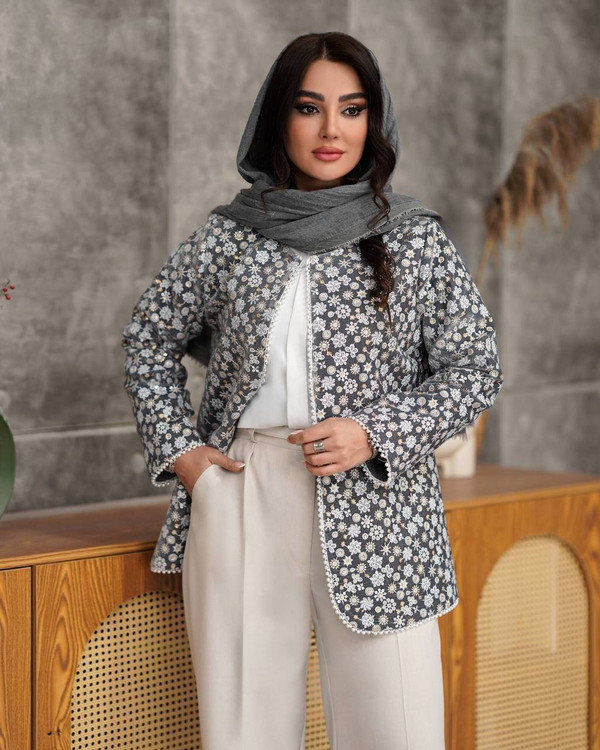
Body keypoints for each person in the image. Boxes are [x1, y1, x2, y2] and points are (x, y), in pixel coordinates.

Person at [121, 30, 504, 750]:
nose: (332, 129)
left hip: (379, 502)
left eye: (352, 110)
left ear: (374, 121)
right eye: (309, 108)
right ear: (279, 118)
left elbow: (475, 368)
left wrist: (374, 433)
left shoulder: (411, 237)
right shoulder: (231, 237)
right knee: (246, 730)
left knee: (399, 732)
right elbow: (148, 337)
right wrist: (186, 457)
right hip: (244, 492)